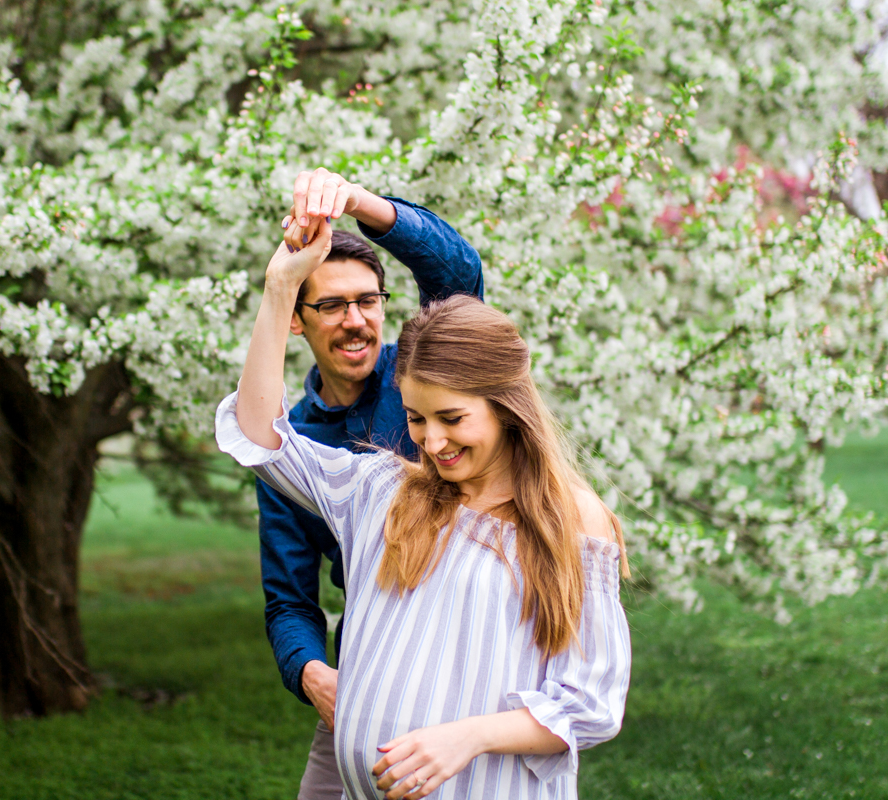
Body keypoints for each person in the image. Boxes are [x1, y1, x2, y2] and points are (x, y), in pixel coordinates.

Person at [218, 219, 632, 799]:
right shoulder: (381, 490)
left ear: (506, 406)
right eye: (415, 419)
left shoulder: (574, 522)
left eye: (452, 419)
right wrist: (279, 287)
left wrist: (466, 738)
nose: (432, 443)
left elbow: (590, 704)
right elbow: (260, 437)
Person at [258, 169, 484, 799]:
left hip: (467, 660)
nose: (355, 320)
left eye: (368, 301)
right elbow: (287, 597)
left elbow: (459, 278)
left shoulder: (424, 372)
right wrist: (309, 672)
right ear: (298, 321)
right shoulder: (290, 446)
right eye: (331, 305)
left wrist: (358, 203)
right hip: (367, 672)